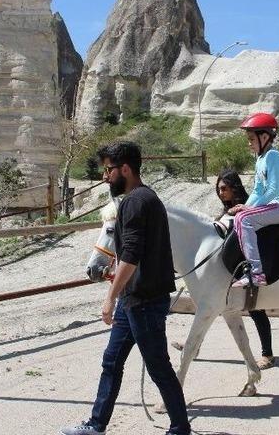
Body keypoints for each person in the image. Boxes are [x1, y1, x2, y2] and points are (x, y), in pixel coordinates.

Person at [61, 142, 190, 435]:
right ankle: (96, 425)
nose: (105, 176)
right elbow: (133, 254)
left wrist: (110, 297)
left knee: (158, 366)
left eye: (109, 170)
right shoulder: (147, 198)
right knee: (112, 360)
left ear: (126, 169)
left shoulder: (135, 202)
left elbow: (131, 255)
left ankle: (180, 429)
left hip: (143, 301)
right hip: (134, 299)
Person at [229, 112, 279, 288]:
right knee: (240, 216)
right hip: (275, 204)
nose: (249, 143)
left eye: (251, 139)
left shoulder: (273, 156)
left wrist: (248, 211)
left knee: (244, 219)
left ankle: (256, 273)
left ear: (264, 137)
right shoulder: (260, 159)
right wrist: (245, 206)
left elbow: (273, 190)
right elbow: (258, 190)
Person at [216, 169, 276, 369]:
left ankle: (268, 355)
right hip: (229, 269)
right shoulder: (228, 210)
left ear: (234, 188)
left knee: (257, 310)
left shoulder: (247, 207)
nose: (221, 193)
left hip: (246, 267)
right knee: (210, 308)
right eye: (219, 189)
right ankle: (195, 347)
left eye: (224, 188)